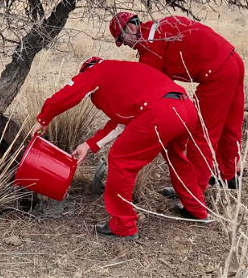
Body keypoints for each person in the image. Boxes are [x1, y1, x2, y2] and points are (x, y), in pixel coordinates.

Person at [35, 57, 207, 239]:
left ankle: (124, 225)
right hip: (185, 108)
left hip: (160, 112)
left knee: (121, 160)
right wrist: (88, 145)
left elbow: (69, 93)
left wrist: (43, 118)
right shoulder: (122, 72)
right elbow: (121, 123)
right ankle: (196, 208)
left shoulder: (96, 71)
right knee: (176, 158)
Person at [110, 12, 245, 191]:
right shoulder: (158, 28)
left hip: (218, 73)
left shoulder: (151, 46)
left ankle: (193, 191)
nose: (125, 45)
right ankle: (229, 175)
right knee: (229, 125)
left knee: (201, 131)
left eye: (122, 39)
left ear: (130, 28)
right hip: (233, 60)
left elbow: (146, 91)